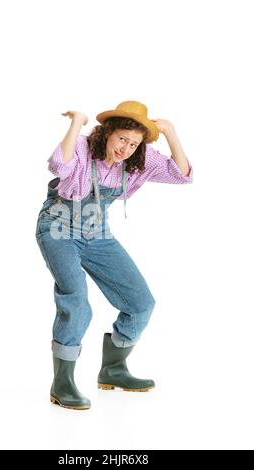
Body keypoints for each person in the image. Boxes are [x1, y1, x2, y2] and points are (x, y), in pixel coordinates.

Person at [35, 100, 193, 410]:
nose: (126, 148)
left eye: (133, 143)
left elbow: (182, 174)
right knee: (77, 301)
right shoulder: (82, 147)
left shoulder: (138, 161)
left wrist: (171, 132)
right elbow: (59, 166)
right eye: (122, 138)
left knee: (140, 302)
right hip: (57, 229)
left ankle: (113, 369)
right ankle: (62, 382)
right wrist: (76, 123)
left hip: (98, 234)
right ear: (107, 133)